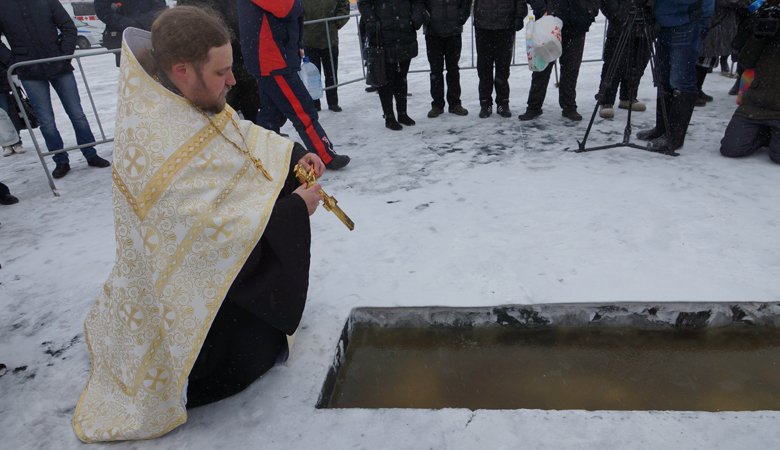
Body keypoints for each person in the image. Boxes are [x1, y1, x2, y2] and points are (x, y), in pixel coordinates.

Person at [73, 6, 326, 442]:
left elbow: (238, 136)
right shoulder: (155, 137)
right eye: (222, 71)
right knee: (241, 353)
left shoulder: (184, 94)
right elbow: (208, 240)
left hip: (206, 274)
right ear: (181, 69)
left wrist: (291, 157)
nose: (232, 80)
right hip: (189, 309)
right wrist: (292, 212)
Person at [0, 0, 111, 179]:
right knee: (46, 121)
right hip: (29, 71)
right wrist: (14, 62)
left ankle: (90, 153)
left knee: (77, 114)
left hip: (60, 67)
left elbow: (68, 26)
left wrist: (64, 55)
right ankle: (60, 161)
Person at [237, 0, 350, 169]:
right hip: (273, 60)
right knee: (303, 110)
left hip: (272, 59)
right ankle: (325, 155)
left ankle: (258, 157)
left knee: (270, 116)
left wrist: (297, 45)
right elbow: (286, 8)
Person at [636, 0, 714, 152]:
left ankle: (674, 137)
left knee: (681, 80)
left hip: (688, 21)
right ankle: (662, 129)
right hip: (665, 21)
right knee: (663, 78)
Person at [177, 0, 262, 122]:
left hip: (227, 42)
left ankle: (248, 122)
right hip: (216, 44)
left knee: (241, 88)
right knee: (228, 90)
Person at [719, 0, 780, 164]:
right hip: (754, 103)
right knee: (731, 149)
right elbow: (745, 61)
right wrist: (758, 35)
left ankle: (770, 135)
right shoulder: (766, 15)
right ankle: (763, 135)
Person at [518, 0, 599, 122]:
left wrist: (590, 10)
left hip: (577, 22)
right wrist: (542, 9)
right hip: (549, 22)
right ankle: (534, 106)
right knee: (542, 67)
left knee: (571, 68)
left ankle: (569, 106)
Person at [358, 0, 426, 130]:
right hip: (382, 38)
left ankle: (402, 113)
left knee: (402, 77)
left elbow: (418, 3)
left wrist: (415, 20)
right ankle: (389, 116)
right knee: (386, 79)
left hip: (405, 35)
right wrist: (373, 22)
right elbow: (364, 4)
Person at [474, 0, 545, 119]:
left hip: (506, 24)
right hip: (483, 24)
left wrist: (519, 15)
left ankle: (503, 102)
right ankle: (485, 103)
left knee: (503, 68)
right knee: (484, 67)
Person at [596, 0, 651, 119]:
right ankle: (606, 101)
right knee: (614, 63)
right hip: (620, 25)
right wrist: (620, 15)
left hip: (644, 22)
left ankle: (628, 96)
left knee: (638, 62)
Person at [422, 0, 472, 118]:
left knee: (453, 69)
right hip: (432, 32)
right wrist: (427, 17)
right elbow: (420, 3)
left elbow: (466, 3)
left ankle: (455, 104)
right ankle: (437, 105)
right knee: (435, 71)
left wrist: (461, 17)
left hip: (453, 31)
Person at [302, 0, 351, 112]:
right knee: (312, 75)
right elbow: (296, 11)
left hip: (330, 39)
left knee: (331, 73)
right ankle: (315, 103)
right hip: (309, 40)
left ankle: (333, 102)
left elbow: (344, 7)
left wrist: (336, 23)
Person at [95, 0, 167, 67]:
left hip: (151, 36)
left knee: (158, 71)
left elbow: (160, 8)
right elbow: (102, 11)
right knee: (130, 72)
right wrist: (126, 23)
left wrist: (140, 22)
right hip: (123, 37)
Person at [0, 61, 26, 156]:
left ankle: (17, 142)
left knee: (7, 114)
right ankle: (6, 145)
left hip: (1, 85)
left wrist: (12, 74)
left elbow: (7, 58)